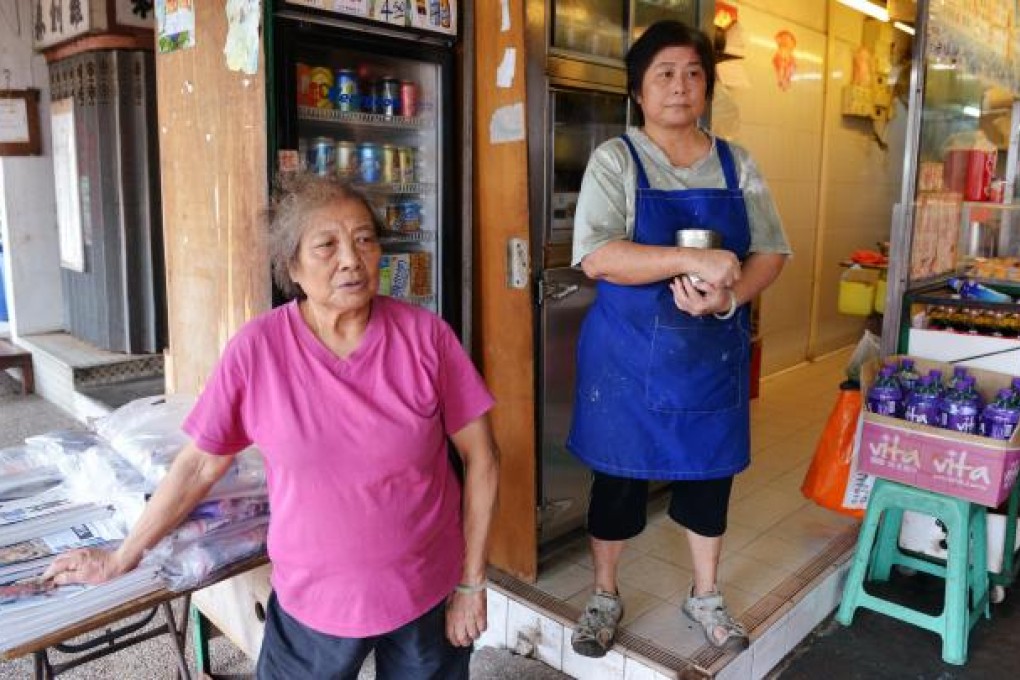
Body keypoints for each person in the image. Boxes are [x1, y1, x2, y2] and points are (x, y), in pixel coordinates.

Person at [44, 175, 500, 680]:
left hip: (425, 593)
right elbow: (198, 464)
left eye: (365, 240)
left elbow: (482, 457)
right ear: (293, 267)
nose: (351, 259)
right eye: (327, 246)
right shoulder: (257, 350)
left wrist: (470, 584)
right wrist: (121, 556)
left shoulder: (426, 338)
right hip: (314, 604)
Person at [567, 20, 791, 657]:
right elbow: (598, 257)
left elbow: (772, 250)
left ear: (708, 87)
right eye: (664, 73)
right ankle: (604, 594)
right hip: (628, 361)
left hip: (708, 355)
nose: (680, 86)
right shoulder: (617, 160)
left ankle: (706, 594)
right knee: (616, 483)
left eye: (694, 73)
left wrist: (730, 295)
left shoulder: (737, 164)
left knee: (709, 480)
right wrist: (691, 263)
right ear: (639, 88)